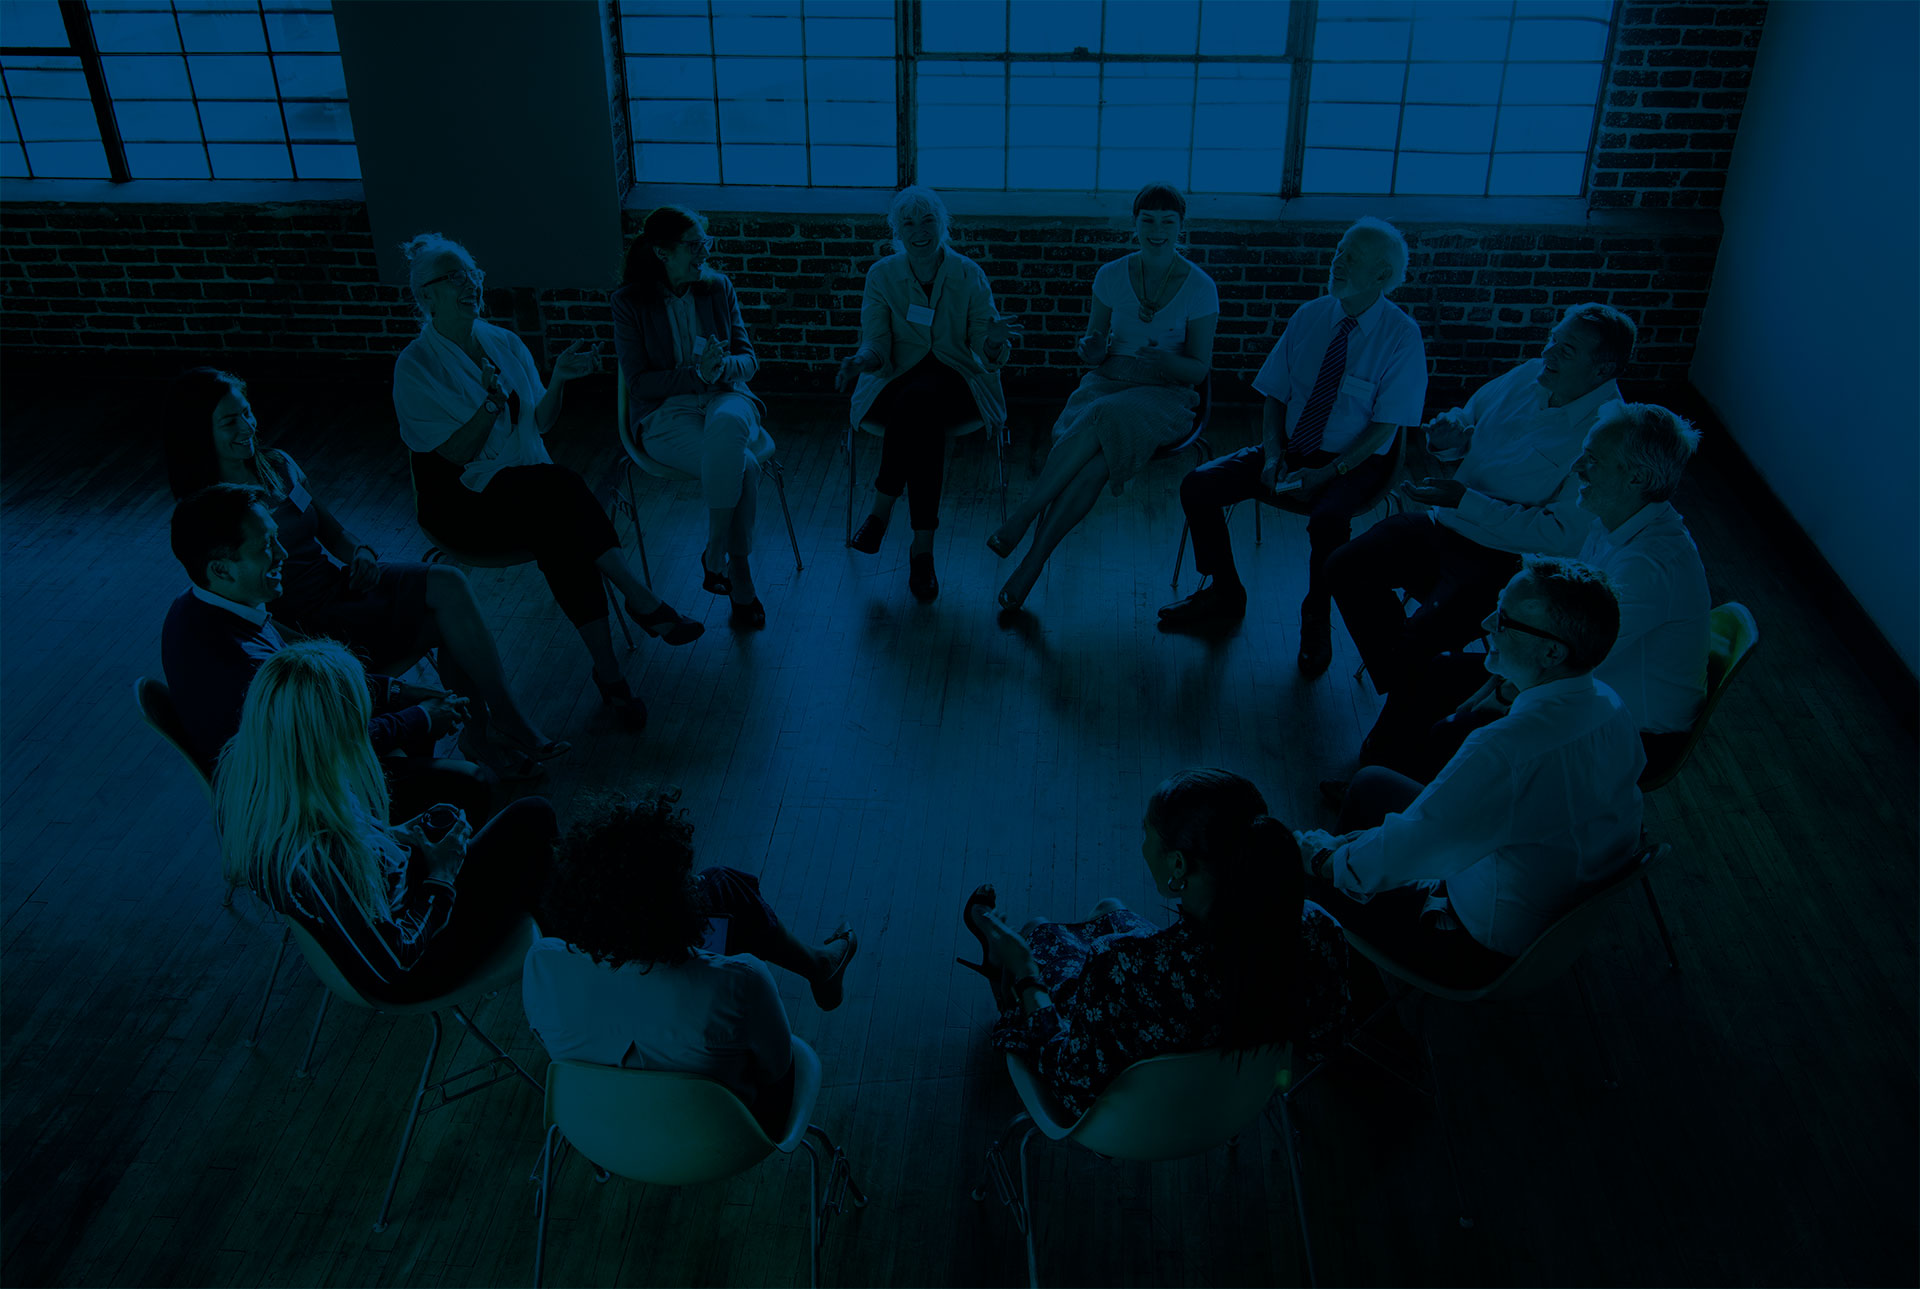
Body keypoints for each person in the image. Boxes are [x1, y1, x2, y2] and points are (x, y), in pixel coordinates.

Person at [163, 366, 567, 775]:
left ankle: (502, 720)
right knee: (448, 624)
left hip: (338, 587)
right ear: (199, 432)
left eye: (247, 412)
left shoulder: (278, 465)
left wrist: (362, 552)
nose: (247, 427)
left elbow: (334, 532)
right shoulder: (206, 510)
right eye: (230, 422)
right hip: (303, 627)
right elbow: (243, 609)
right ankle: (482, 735)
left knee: (449, 583)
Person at [392, 232, 702, 732]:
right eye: (456, 278)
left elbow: (539, 423)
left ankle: (611, 672)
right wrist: (491, 402)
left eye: (473, 274)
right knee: (557, 494)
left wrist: (557, 379)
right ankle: (641, 602)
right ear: (426, 295)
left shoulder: (504, 342)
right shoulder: (415, 366)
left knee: (559, 526)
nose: (471, 284)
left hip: (526, 491)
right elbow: (455, 455)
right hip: (461, 504)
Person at [1298, 559, 1645, 987]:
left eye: (1503, 619)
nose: (1486, 624)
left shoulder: (1505, 750)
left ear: (1552, 653)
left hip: (1482, 944)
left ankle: (1343, 976)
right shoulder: (1611, 704)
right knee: (1371, 784)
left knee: (1305, 876)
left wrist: (1325, 859)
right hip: (1556, 912)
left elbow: (1419, 842)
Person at [1346, 402, 1710, 788]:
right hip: (1585, 677)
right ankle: (1380, 777)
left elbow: (1571, 660)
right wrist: (1493, 682)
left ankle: (1401, 796)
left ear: (1636, 478)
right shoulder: (1617, 517)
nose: (1577, 468)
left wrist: (1492, 697)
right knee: (1436, 674)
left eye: (1593, 460)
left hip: (1631, 728)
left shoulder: (1650, 567)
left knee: (1458, 731)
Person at [958, 769, 1352, 1121]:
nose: (1143, 842)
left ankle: (1003, 974)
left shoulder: (1121, 967)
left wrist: (1026, 971)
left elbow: (1070, 1082)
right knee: (1109, 910)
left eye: (1146, 831)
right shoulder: (1319, 930)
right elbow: (1323, 1042)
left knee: (1037, 934)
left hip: (1134, 1121)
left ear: (1178, 865)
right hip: (1236, 1099)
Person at [216, 639, 559, 1004]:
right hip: (417, 964)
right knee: (533, 821)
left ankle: (563, 951)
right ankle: (565, 963)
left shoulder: (263, 772)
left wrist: (396, 834)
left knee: (516, 829)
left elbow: (352, 853)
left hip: (393, 899)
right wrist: (441, 874)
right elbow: (396, 962)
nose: (364, 727)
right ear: (329, 734)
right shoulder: (319, 854)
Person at [1158, 218, 1427, 677]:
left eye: (1352, 257)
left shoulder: (1401, 336)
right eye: (1339, 250)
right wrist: (1272, 454)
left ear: (1382, 275)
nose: (1338, 261)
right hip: (1291, 449)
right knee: (1199, 485)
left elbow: (1385, 429)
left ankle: (1316, 618)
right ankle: (1224, 590)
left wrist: (1328, 474)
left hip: (1354, 461)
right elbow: (1275, 394)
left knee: (1328, 520)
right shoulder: (1310, 316)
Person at [1325, 303, 1634, 696]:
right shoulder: (1530, 374)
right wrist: (1448, 435)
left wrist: (1466, 501)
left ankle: (1418, 687)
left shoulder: (1608, 435)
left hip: (1510, 563)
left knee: (1418, 640)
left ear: (1602, 371)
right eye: (1553, 339)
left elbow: (1559, 537)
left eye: (1566, 350)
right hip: (1449, 521)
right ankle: (1410, 679)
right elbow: (1468, 416)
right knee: (1345, 565)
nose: (1548, 352)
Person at [522, 788, 860, 1136]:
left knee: (719, 885)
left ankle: (820, 966)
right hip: (723, 1139)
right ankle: (820, 966)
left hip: (599, 1130)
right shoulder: (740, 983)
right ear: (676, 905)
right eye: (686, 881)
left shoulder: (541, 965)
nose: (695, 883)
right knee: (720, 885)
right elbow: (778, 1078)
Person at [161, 483, 490, 822]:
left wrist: (397, 690)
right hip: (303, 804)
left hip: (293, 755)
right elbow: (327, 746)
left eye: (276, 538)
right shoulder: (250, 666)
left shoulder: (195, 605)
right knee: (472, 783)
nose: (283, 554)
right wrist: (422, 717)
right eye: (266, 546)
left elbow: (316, 690)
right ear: (221, 570)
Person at [985, 182, 1218, 613]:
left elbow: (1199, 370)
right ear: (1135, 224)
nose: (1157, 230)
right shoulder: (1111, 275)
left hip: (1166, 392)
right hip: (1109, 379)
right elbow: (1094, 351)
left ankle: (1023, 518)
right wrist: (1091, 349)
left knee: (1101, 416)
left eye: (1168, 222)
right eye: (1148, 220)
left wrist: (1163, 360)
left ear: (1181, 227)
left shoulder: (1201, 287)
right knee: (1093, 461)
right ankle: (1031, 567)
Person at [836, 185, 1021, 602]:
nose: (919, 231)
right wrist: (861, 361)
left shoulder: (968, 273)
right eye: (908, 223)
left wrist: (994, 342)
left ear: (943, 225)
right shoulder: (882, 275)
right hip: (894, 377)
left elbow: (984, 351)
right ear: (896, 231)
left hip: (958, 378)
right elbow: (877, 343)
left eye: (927, 221)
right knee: (920, 413)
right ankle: (922, 553)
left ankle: (880, 511)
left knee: (920, 403)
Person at [611, 206, 774, 630]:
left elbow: (749, 360)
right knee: (745, 465)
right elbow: (638, 383)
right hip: (666, 412)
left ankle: (715, 548)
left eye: (706, 243)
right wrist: (695, 375)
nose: (705, 253)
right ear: (662, 252)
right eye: (694, 245)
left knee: (729, 424)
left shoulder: (718, 288)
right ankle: (740, 573)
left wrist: (720, 370)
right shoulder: (629, 302)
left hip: (726, 396)